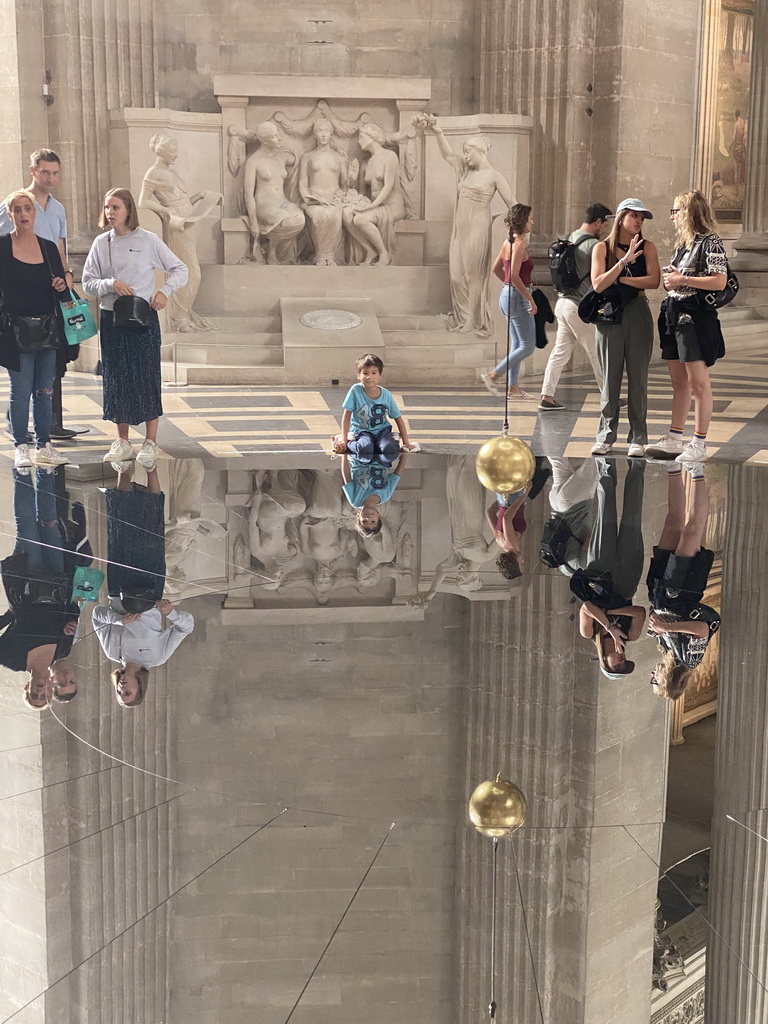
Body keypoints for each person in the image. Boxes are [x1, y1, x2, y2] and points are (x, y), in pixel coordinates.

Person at [82, 188, 188, 469]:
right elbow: (88, 281)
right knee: (116, 377)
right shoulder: (100, 243)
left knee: (146, 375)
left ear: (128, 209)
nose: (110, 213)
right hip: (112, 319)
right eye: (107, 207)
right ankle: (122, 441)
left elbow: (180, 269)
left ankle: (150, 442)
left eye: (115, 207)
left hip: (142, 318)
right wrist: (110, 284)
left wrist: (164, 291)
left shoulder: (147, 240)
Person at [92, 463, 194, 707]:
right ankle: (151, 468)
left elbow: (97, 617)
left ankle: (123, 465)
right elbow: (185, 628)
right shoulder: (157, 657)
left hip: (119, 589)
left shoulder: (111, 652)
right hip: (149, 591)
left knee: (120, 530)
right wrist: (172, 614)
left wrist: (118, 620)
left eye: (119, 692)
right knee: (150, 532)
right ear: (140, 687)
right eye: (127, 693)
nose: (122, 688)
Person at [0, 148, 77, 443]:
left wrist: (66, 278)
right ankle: (19, 433)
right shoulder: (14, 205)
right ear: (33, 171)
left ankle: (47, 430)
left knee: (46, 382)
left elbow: (59, 249)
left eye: (55, 172)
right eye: (45, 172)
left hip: (47, 304)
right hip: (17, 309)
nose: (51, 177)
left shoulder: (57, 209)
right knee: (21, 387)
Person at [645, 190, 727, 465]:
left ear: (690, 212)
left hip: (694, 316)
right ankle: (674, 438)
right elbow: (679, 279)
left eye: (676, 210)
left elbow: (719, 281)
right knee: (678, 382)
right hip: (674, 313)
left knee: (698, 382)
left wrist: (684, 279)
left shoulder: (711, 242)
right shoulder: (683, 245)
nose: (672, 215)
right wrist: (672, 281)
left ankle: (699, 442)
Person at [0, 468, 81, 707]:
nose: (38, 692)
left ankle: (22, 473)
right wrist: (71, 622)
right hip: (56, 580)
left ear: (26, 688)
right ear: (50, 688)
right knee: (49, 523)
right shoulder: (62, 651)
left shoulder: (12, 660)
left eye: (32, 695)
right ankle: (46, 473)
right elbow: (71, 610)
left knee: (27, 527)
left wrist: (8, 616)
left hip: (27, 583)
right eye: (43, 696)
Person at [424, 122, 513, 335]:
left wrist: (516, 228)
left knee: (474, 277)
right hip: (459, 231)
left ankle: (472, 321)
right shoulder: (465, 170)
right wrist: (439, 132)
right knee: (456, 276)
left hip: (478, 230)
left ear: (480, 151)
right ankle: (464, 317)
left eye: (468, 151)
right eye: (464, 152)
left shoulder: (494, 176)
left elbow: (513, 203)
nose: (465, 156)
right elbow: (447, 155)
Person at [590, 198, 660, 457]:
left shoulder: (648, 247)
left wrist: (620, 278)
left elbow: (654, 281)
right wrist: (623, 262)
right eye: (634, 216)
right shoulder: (601, 248)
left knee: (638, 378)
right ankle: (606, 435)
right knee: (610, 378)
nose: (639, 221)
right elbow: (598, 284)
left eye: (642, 217)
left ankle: (638, 437)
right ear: (620, 218)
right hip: (609, 315)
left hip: (638, 313)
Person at [646, 462, 719, 701]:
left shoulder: (667, 651)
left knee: (672, 523)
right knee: (691, 530)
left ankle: (673, 468)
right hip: (682, 592)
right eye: (655, 680)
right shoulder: (690, 660)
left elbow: (665, 625)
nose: (652, 674)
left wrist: (655, 621)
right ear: (668, 680)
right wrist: (666, 628)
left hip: (660, 592)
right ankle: (696, 470)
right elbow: (701, 630)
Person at [571, 458, 647, 678]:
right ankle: (638, 461)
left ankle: (605, 458)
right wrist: (610, 614)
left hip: (599, 571)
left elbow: (585, 606)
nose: (622, 661)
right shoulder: (630, 636)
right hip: (626, 579)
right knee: (633, 514)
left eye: (617, 666)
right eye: (625, 664)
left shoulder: (589, 632)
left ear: (604, 661)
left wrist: (607, 624)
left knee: (605, 512)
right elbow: (639, 613)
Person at [138, 134, 223, 331]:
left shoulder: (170, 171)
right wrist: (167, 211)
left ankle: (183, 315)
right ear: (162, 151)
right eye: (172, 151)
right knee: (191, 272)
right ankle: (178, 317)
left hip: (187, 223)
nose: (176, 155)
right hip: (176, 226)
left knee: (190, 270)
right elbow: (143, 201)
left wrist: (200, 197)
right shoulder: (153, 172)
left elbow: (182, 203)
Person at [539, 203, 613, 410]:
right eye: (605, 226)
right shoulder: (594, 246)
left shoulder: (568, 238)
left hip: (562, 304)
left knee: (559, 352)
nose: (605, 230)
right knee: (597, 352)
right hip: (578, 307)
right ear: (598, 222)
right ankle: (609, 398)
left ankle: (547, 395)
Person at [480, 204, 537, 398]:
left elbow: (497, 270)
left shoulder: (508, 243)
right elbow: (513, 275)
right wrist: (530, 298)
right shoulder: (519, 245)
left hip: (508, 295)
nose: (532, 221)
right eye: (530, 218)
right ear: (522, 220)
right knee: (528, 345)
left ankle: (513, 387)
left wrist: (509, 288)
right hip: (518, 296)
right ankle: (494, 374)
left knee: (517, 343)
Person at [240, 121, 305, 265]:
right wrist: (254, 222)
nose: (279, 138)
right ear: (263, 140)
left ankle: (270, 246)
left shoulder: (281, 157)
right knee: (283, 218)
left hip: (283, 202)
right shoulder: (254, 161)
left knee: (299, 219)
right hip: (264, 205)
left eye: (278, 134)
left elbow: (298, 159)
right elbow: (248, 194)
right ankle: (272, 251)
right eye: (274, 136)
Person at [342, 122, 406, 266]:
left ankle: (383, 253)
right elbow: (362, 193)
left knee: (360, 220)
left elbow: (388, 187)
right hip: (372, 206)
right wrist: (351, 181)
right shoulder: (365, 163)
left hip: (391, 206)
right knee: (346, 214)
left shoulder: (390, 156)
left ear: (373, 136)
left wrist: (371, 206)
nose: (359, 142)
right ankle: (369, 250)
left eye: (361, 137)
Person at [334, 352, 416, 462]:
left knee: (389, 449)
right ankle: (350, 442)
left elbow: (398, 418)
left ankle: (386, 442)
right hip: (362, 431)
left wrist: (406, 443)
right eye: (365, 373)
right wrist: (344, 441)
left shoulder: (386, 395)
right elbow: (346, 416)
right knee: (365, 450)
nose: (369, 377)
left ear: (380, 376)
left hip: (382, 431)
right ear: (358, 375)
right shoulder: (355, 391)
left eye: (374, 373)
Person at [298, 118, 349, 266]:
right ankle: (320, 255)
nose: (324, 134)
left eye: (327, 131)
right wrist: (310, 199)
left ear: (332, 133)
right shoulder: (307, 157)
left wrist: (351, 177)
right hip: (315, 199)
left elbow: (345, 185)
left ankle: (330, 256)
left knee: (334, 215)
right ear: (315, 134)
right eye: (320, 131)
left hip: (334, 199)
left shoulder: (339, 158)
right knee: (319, 214)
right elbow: (303, 183)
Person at [340, 450, 408, 536]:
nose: (368, 518)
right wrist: (404, 457)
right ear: (378, 516)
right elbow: (396, 475)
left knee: (366, 446)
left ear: (358, 516)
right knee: (389, 446)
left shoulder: (355, 500)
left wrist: (344, 456)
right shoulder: (385, 496)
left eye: (364, 521)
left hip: (360, 459)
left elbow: (347, 477)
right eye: (373, 521)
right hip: (382, 460)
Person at [486, 485, 529, 580]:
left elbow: (506, 518)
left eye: (521, 565)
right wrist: (502, 502)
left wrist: (524, 496)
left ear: (514, 564)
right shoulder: (500, 542)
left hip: (514, 497)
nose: (523, 561)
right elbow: (490, 512)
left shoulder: (511, 544)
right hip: (504, 500)